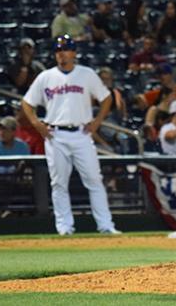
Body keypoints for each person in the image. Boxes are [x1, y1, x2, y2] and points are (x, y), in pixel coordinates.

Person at [21, 35, 120, 235]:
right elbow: (27, 103)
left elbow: (106, 98)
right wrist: (36, 123)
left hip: (81, 133)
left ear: (74, 53)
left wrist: (97, 122)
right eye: (58, 50)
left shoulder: (87, 74)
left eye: (66, 49)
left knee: (94, 179)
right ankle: (64, 228)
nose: (62, 54)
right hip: (55, 135)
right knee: (58, 183)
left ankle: (106, 226)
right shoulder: (46, 76)